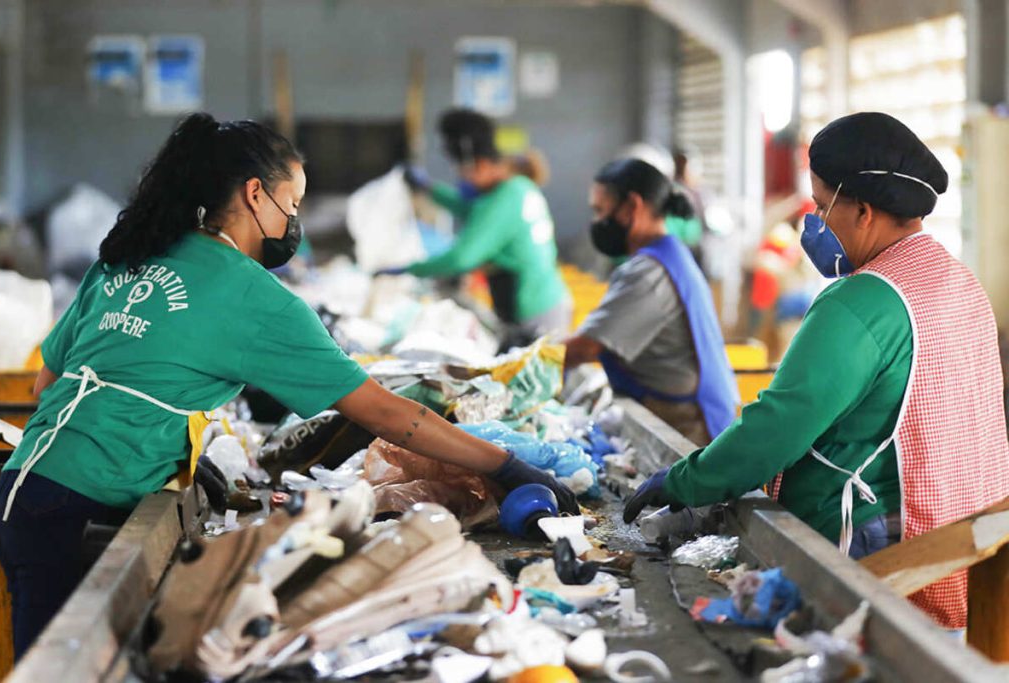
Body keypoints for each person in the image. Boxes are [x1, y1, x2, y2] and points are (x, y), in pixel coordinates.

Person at [0, 113, 578, 659]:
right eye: (291, 203)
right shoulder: (253, 296)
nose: (293, 221)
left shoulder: (126, 256)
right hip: (75, 514)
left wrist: (169, 446)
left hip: (22, 494)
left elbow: (50, 384)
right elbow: (384, 413)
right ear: (255, 194)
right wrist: (505, 465)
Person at [624, 112, 1009, 631]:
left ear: (864, 211)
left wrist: (684, 481)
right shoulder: (958, 282)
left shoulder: (861, 301)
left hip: (876, 553)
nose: (815, 223)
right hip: (957, 545)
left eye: (823, 206)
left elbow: (775, 429)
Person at [563, 159, 738, 446]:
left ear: (632, 206)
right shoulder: (667, 254)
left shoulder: (650, 273)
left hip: (688, 424)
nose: (596, 222)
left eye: (600, 211)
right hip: (682, 410)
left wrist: (529, 361)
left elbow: (587, 347)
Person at [399, 108, 572, 346]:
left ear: (479, 164)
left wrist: (411, 269)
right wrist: (428, 188)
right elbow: (467, 208)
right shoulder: (515, 188)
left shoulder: (503, 199)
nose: (462, 180)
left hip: (534, 314)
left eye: (462, 171)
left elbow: (461, 258)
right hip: (545, 303)